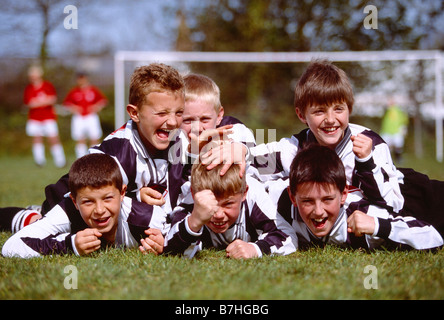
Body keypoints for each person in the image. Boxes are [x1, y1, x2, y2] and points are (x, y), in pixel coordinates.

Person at [272, 144, 443, 251]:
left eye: (327, 200)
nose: (318, 211)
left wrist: (379, 226)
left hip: (422, 194)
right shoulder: (280, 205)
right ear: (293, 197)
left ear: (344, 194)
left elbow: (433, 236)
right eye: (308, 201)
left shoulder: (364, 215)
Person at [1, 153, 165, 258]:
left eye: (108, 198)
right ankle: (34, 215)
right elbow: (10, 247)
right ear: (75, 201)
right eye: (88, 201)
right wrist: (69, 246)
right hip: (57, 208)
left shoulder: (146, 219)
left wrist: (162, 243)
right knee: (33, 222)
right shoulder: (67, 210)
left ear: (122, 193)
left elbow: (179, 235)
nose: (100, 210)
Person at [163, 161, 296, 259]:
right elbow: (169, 249)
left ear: (244, 193)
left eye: (228, 204)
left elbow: (287, 235)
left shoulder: (254, 196)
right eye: (212, 204)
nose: (219, 215)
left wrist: (256, 249)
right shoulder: (193, 201)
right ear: (193, 194)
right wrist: (194, 222)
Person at [23, 65, 66, 168]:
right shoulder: (29, 88)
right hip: (34, 118)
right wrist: (43, 101)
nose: (32, 77)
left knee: (53, 138)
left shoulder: (47, 85)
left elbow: (52, 99)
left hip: (48, 117)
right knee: (37, 138)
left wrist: (38, 102)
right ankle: (39, 161)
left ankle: (60, 161)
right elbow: (29, 103)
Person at [63, 72, 108, 158]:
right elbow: (67, 104)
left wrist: (96, 107)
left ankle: (94, 158)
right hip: (79, 117)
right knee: (80, 138)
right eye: (80, 78)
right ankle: (81, 159)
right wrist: (74, 108)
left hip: (91, 116)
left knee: (94, 137)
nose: (81, 80)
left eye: (83, 78)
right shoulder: (74, 91)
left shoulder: (93, 90)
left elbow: (103, 101)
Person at [380, 97, 409, 163]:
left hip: (397, 131)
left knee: (398, 145)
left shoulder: (398, 110)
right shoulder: (387, 110)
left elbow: (404, 119)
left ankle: (398, 158)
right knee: (385, 146)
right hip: (387, 131)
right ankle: (387, 160)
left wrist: (404, 127)